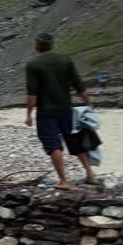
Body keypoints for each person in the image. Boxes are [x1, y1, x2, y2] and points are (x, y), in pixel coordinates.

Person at [25, 33, 97, 190]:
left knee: (53, 145)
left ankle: (64, 180)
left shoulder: (33, 65)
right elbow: (78, 84)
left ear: (37, 46)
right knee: (75, 141)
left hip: (46, 111)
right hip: (66, 109)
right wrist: (88, 103)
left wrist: (29, 115)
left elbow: (32, 93)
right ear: (52, 45)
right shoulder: (65, 60)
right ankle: (90, 174)